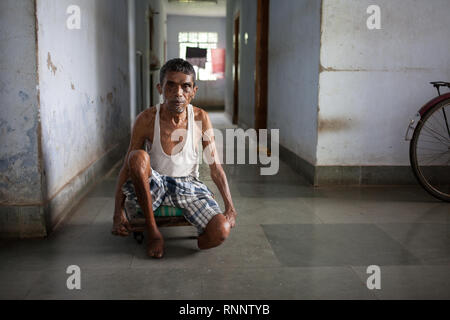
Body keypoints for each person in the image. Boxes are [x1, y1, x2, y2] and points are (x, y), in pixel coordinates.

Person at [111, 58, 237, 258]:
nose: (178, 93)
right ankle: (154, 234)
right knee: (136, 157)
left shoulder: (200, 118)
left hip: (189, 185)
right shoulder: (147, 119)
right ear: (160, 88)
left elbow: (215, 167)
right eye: (171, 85)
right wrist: (117, 212)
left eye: (185, 87)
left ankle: (201, 230)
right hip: (155, 183)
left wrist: (230, 207)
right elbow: (128, 167)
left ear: (194, 91)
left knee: (220, 231)